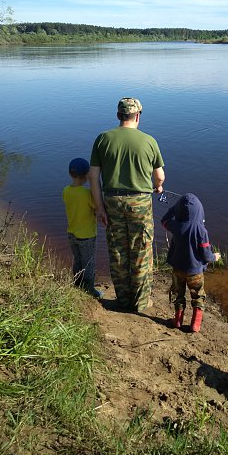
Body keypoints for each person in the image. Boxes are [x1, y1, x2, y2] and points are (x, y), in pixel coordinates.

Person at [89, 97, 165, 312]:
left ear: (118, 116)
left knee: (117, 250)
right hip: (140, 201)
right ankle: (140, 304)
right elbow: (159, 177)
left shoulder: (102, 139)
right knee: (141, 250)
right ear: (138, 116)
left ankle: (122, 300)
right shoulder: (149, 141)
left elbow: (93, 177)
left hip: (111, 201)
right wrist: (157, 186)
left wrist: (99, 208)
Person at [161, 192, 221, 332]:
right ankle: (195, 324)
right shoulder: (201, 230)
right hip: (195, 272)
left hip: (177, 269)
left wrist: (174, 209)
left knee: (178, 293)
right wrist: (215, 257)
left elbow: (164, 220)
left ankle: (177, 321)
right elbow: (206, 256)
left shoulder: (176, 225)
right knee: (198, 295)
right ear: (200, 212)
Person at [62, 157, 103, 299]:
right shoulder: (87, 194)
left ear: (70, 174)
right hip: (86, 235)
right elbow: (97, 207)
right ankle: (89, 289)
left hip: (72, 233)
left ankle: (77, 284)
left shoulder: (66, 191)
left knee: (77, 260)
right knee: (89, 262)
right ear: (87, 175)